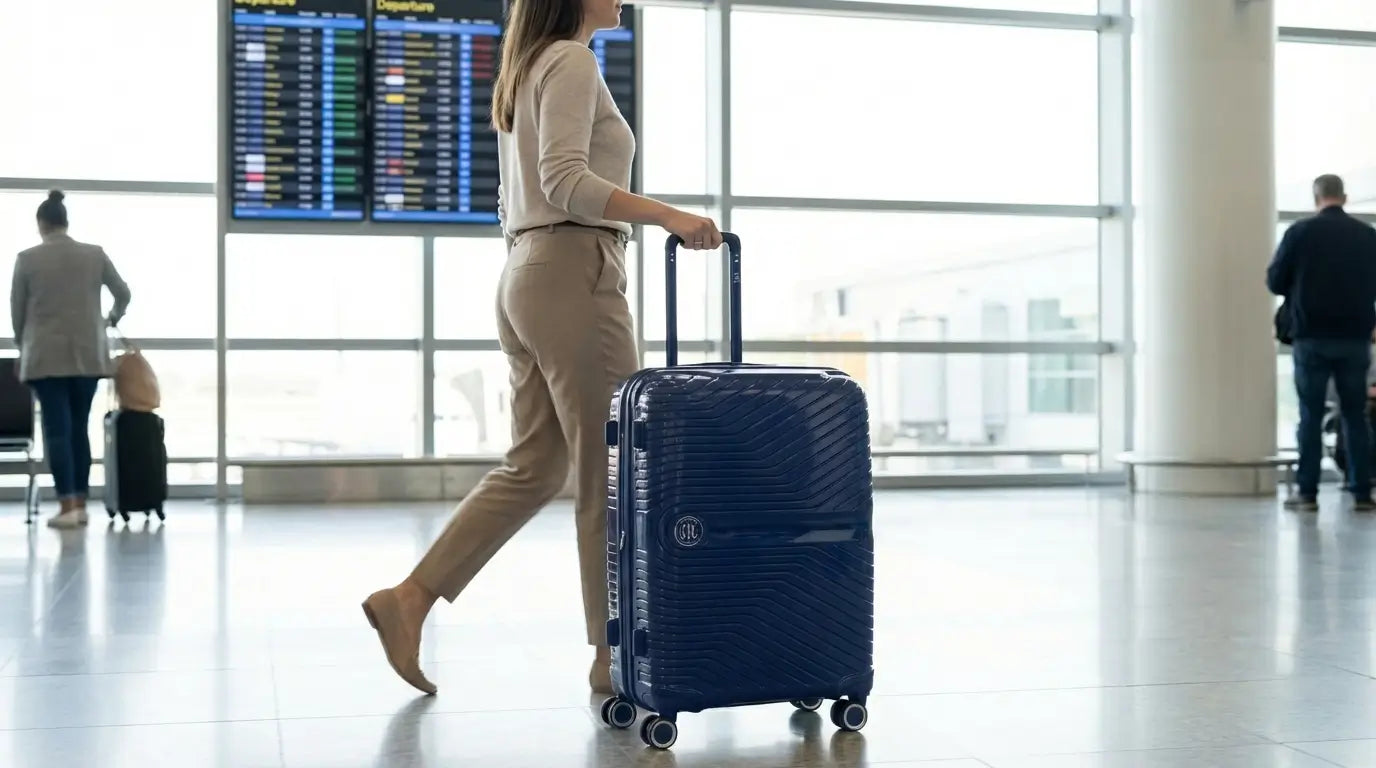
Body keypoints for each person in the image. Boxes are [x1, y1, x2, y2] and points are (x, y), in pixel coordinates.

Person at [362, 0, 723, 695]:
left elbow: (526, 191)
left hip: (527, 274)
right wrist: (668, 215)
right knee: (611, 469)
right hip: (572, 273)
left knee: (534, 466)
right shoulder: (572, 59)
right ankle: (612, 652)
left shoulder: (530, 67)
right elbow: (566, 181)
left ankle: (409, 600)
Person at [11, 190, 131, 529]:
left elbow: (17, 313)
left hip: (45, 359)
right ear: (66, 222)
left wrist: (24, 348)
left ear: (41, 224)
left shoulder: (27, 259)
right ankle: (80, 499)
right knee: (79, 428)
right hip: (88, 356)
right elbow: (123, 292)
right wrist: (111, 319)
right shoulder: (94, 255)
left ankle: (68, 505)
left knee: (57, 430)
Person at [1268, 174, 1376, 512]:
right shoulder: (1367, 236)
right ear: (1344, 197)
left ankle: (1307, 493)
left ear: (1317, 198)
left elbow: (1275, 281)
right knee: (1355, 415)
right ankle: (1361, 492)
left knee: (1310, 415)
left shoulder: (1299, 233)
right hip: (1355, 337)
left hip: (1311, 337)